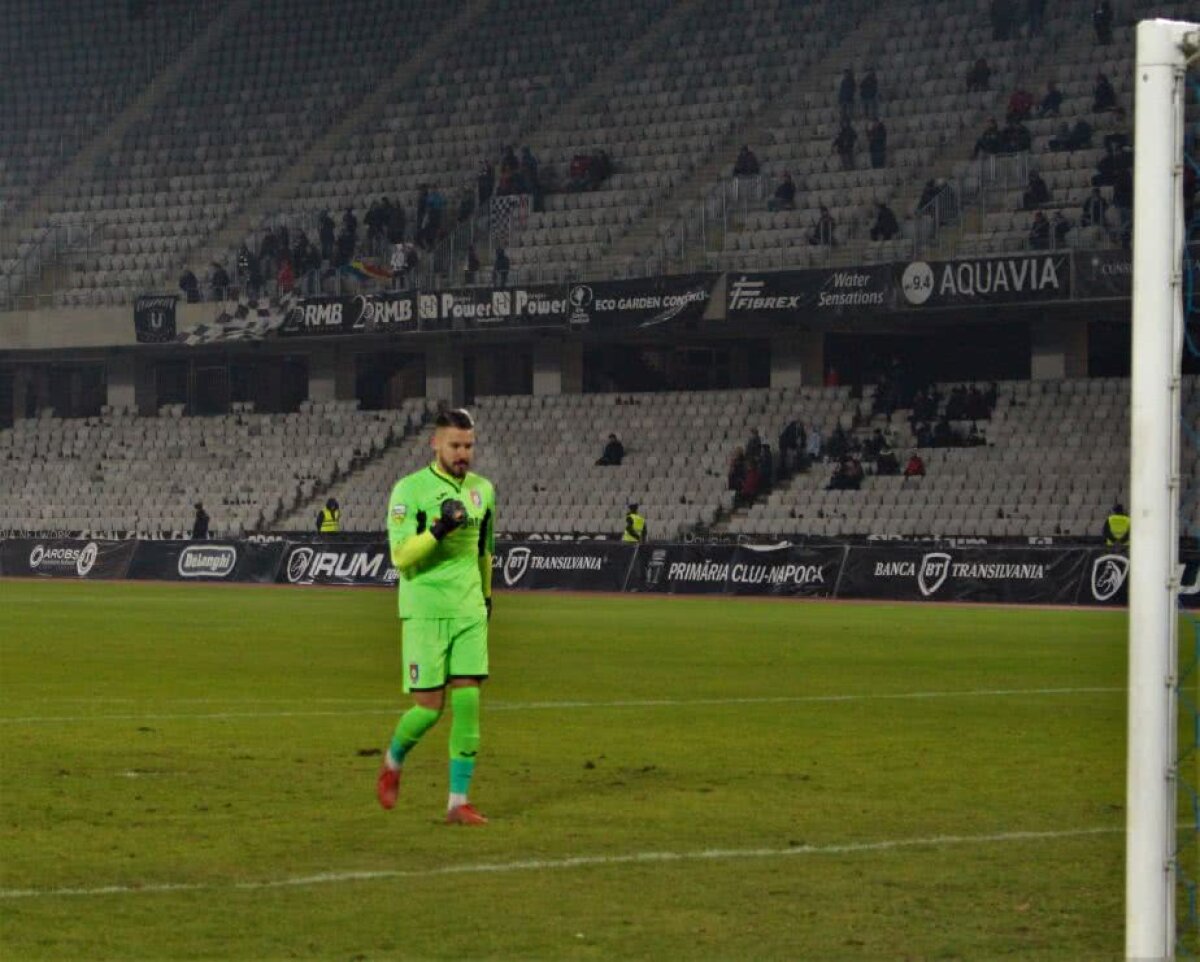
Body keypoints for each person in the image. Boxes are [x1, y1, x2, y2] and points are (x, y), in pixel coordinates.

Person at [378, 408, 496, 825]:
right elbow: (401, 556)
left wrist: (486, 597)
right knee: (428, 709)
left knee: (468, 702)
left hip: (468, 608)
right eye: (455, 445)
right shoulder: (408, 490)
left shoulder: (483, 491)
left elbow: (484, 550)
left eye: (468, 446)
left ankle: (457, 802)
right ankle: (393, 761)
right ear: (435, 444)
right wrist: (439, 530)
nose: (463, 453)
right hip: (425, 610)